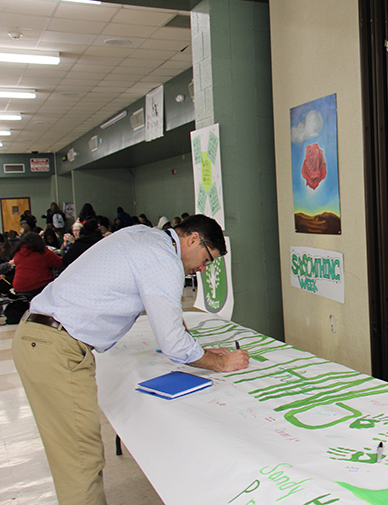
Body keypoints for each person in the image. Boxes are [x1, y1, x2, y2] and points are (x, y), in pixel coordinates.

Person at [12, 215, 249, 504]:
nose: (202, 268)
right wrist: (221, 364)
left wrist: (202, 352)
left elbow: (169, 318)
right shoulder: (163, 260)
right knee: (79, 460)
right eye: (206, 259)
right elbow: (173, 344)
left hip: (43, 339)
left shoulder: (145, 237)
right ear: (193, 239)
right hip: (56, 348)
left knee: (74, 455)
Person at [10, 232, 63, 301]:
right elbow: (59, 263)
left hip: (19, 287)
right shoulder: (43, 252)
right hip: (38, 286)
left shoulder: (18, 253)